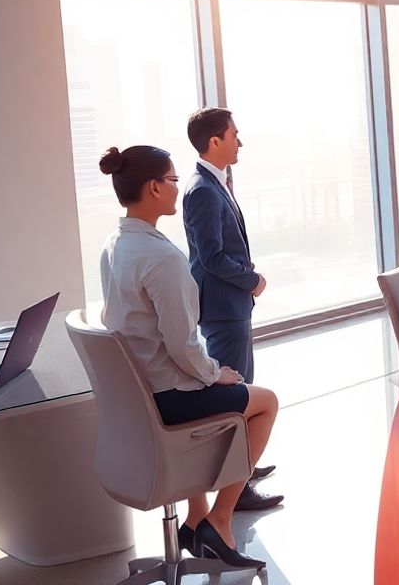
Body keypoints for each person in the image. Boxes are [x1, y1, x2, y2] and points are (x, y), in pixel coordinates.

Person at [97, 145, 278, 568]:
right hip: (169, 395)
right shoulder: (162, 257)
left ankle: (195, 519)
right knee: (265, 401)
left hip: (139, 392)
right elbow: (182, 345)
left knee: (225, 383)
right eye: (173, 181)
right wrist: (217, 375)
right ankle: (221, 518)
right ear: (154, 186)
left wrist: (209, 374)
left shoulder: (114, 245)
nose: (177, 189)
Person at [182, 107, 282, 509]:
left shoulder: (214, 183)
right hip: (224, 305)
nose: (240, 142)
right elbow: (212, 257)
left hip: (232, 303)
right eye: (234, 135)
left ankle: (243, 463)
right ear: (214, 142)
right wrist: (252, 280)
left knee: (243, 386)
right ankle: (235, 489)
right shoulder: (203, 190)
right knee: (235, 394)